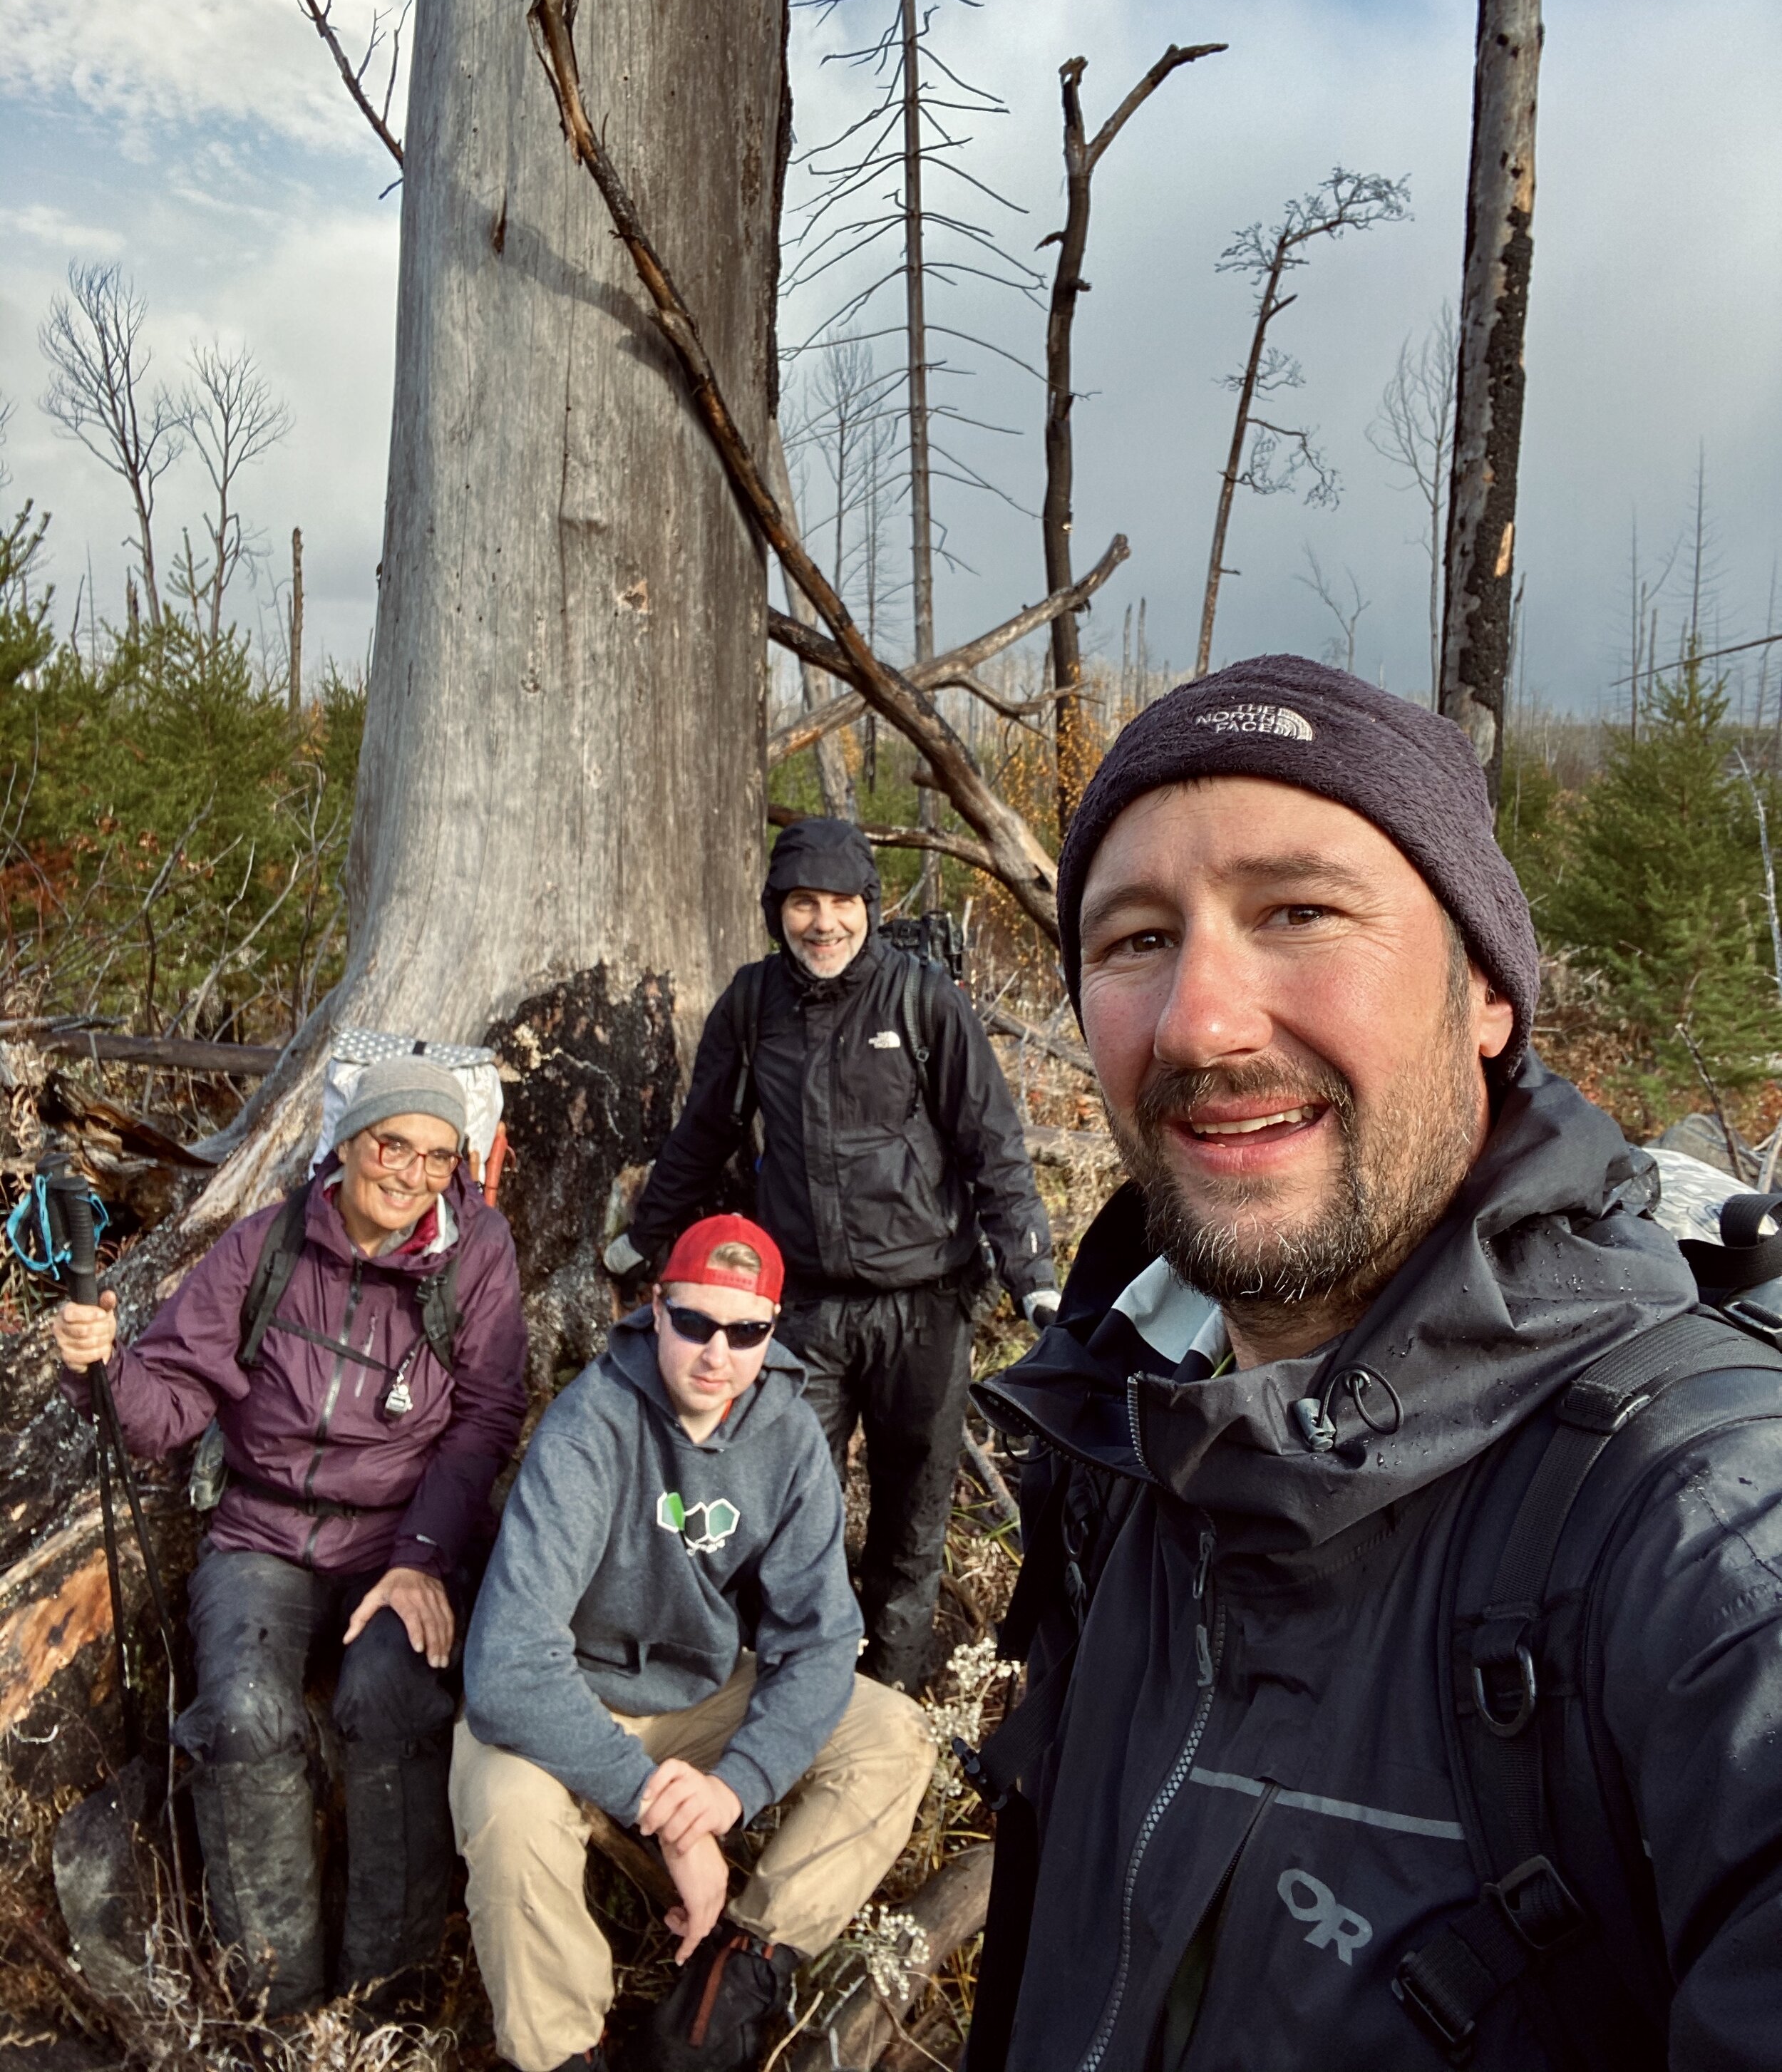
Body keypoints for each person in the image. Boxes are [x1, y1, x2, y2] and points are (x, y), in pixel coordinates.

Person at [964, 656, 1782, 2071]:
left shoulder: (1705, 1547)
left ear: (1486, 996)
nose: (1197, 1023)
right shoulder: (1123, 1440)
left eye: (1298, 912)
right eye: (1135, 937)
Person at [53, 1056, 527, 2019]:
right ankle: (276, 2004)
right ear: (350, 1143)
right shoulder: (266, 1245)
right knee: (239, 1716)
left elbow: (486, 1417)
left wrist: (423, 1558)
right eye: (394, 1144)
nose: (410, 1173)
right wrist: (98, 1368)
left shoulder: (476, 1254)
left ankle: (380, 2008)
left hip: (398, 1538)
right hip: (262, 1533)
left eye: (439, 1158)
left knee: (390, 1702)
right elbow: (169, 1401)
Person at [453, 1212, 934, 2072]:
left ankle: (738, 1976)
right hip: (569, 1694)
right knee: (506, 1812)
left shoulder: (786, 1433)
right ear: (655, 1308)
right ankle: (564, 2051)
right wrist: (666, 1817)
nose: (718, 1353)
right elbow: (509, 1667)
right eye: (694, 1323)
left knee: (891, 1735)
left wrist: (734, 1790)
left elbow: (820, 1640)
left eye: (745, 1330)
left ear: (771, 1331)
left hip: (699, 1691)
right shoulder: (588, 1427)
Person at [612, 816, 1055, 1692]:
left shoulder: (923, 1001)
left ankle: (890, 1712)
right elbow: (705, 1133)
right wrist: (646, 1235)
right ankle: (784, 1702)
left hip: (924, 1308)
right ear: (777, 910)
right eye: (803, 904)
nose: (824, 923)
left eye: (842, 903)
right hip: (803, 1311)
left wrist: (1032, 1275)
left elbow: (991, 1142)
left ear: (871, 908)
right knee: (777, 1508)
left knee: (910, 1524)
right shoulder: (752, 1005)